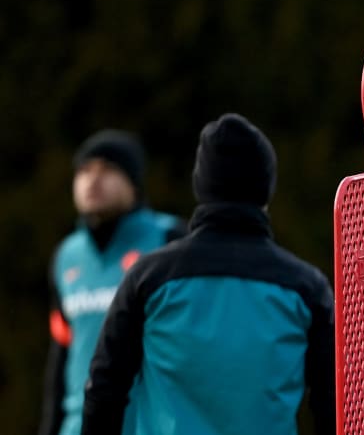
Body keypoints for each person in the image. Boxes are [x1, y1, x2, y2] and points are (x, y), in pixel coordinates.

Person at [81, 113, 336, 435]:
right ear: (265, 191)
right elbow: (333, 402)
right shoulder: (306, 288)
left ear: (201, 185)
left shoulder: (149, 278)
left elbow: (104, 389)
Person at [39, 130, 187, 435]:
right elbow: (62, 352)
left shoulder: (171, 240)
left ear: (133, 182)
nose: (93, 180)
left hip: (149, 425)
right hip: (77, 427)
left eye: (107, 169)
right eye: (84, 170)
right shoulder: (66, 256)